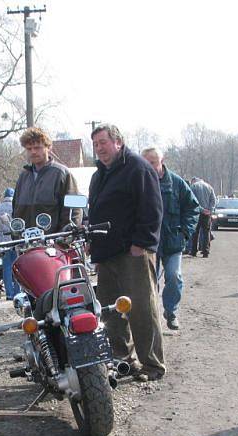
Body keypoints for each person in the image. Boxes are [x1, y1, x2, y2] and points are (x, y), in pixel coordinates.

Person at [88, 124, 166, 381]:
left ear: (118, 142)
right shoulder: (99, 175)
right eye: (96, 144)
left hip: (133, 253)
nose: (99, 148)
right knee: (111, 311)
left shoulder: (137, 168)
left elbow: (152, 209)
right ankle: (122, 361)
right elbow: (97, 213)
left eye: (103, 142)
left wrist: (141, 244)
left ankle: (153, 365)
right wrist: (94, 248)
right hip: (107, 254)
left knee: (142, 309)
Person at [141, 147, 200, 331]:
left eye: (153, 162)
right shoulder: (140, 183)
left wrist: (184, 232)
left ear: (162, 160)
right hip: (149, 243)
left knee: (174, 276)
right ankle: (152, 318)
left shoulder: (176, 182)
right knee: (149, 282)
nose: (149, 166)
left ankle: (171, 311)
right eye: (145, 163)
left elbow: (193, 208)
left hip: (173, 241)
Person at [12, 126, 81, 231]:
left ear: (48, 147)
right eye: (29, 149)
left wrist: (63, 241)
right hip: (24, 244)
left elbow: (73, 212)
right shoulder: (23, 177)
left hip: (53, 244)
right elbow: (15, 211)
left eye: (37, 147)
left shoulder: (62, 174)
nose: (33, 152)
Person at [0, 187, 20, 300]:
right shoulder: (17, 206)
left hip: (3, 241)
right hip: (17, 240)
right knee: (18, 267)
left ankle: (9, 294)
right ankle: (18, 292)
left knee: (7, 267)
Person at [188, 177, 217, 257]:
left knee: (195, 232)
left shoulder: (193, 187)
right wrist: (209, 210)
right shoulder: (209, 187)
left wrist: (201, 209)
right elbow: (213, 200)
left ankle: (193, 251)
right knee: (206, 232)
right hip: (207, 213)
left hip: (196, 212)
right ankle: (206, 251)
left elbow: (191, 199)